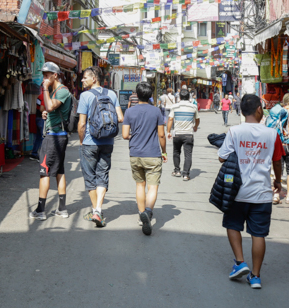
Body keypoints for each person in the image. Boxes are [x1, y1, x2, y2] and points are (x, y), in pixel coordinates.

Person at [217, 94, 284, 289]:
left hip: (236, 191)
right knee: (258, 234)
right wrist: (278, 181)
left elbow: (222, 158)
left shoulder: (234, 131)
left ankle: (240, 262)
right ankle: (255, 276)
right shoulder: (272, 134)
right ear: (259, 110)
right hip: (262, 192)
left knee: (232, 224)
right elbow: (277, 161)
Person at [77, 66, 124, 227]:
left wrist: (81, 141)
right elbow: (120, 117)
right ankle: (98, 210)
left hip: (90, 142)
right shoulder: (111, 94)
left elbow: (82, 123)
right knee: (102, 175)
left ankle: (96, 211)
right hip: (108, 142)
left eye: (85, 77)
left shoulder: (85, 96)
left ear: (94, 79)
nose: (82, 80)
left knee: (90, 177)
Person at [122, 82, 166, 236]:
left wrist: (135, 135)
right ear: (150, 96)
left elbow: (125, 135)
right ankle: (148, 211)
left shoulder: (129, 112)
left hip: (135, 154)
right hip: (153, 154)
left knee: (140, 185)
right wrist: (165, 151)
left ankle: (142, 216)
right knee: (152, 187)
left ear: (137, 95)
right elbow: (161, 135)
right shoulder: (156, 112)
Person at [30, 62, 73, 220]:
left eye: (48, 74)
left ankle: (41, 210)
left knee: (45, 173)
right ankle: (62, 209)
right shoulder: (56, 91)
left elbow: (49, 106)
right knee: (59, 171)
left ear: (55, 75)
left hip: (54, 137)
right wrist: (45, 115)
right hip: (56, 135)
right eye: (43, 74)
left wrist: (45, 88)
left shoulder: (62, 91)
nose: (44, 78)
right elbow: (46, 110)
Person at [166, 89, 200, 181]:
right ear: (189, 97)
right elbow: (197, 119)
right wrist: (195, 126)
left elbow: (170, 119)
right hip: (188, 134)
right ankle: (186, 175)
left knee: (176, 152)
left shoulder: (175, 107)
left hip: (177, 134)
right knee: (188, 155)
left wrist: (168, 131)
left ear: (179, 97)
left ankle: (177, 171)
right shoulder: (193, 107)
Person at [30, 90, 46, 161]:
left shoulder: (40, 95)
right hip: (42, 119)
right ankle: (42, 156)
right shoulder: (44, 96)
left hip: (38, 118)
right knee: (43, 138)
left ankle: (34, 153)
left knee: (39, 137)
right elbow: (41, 109)